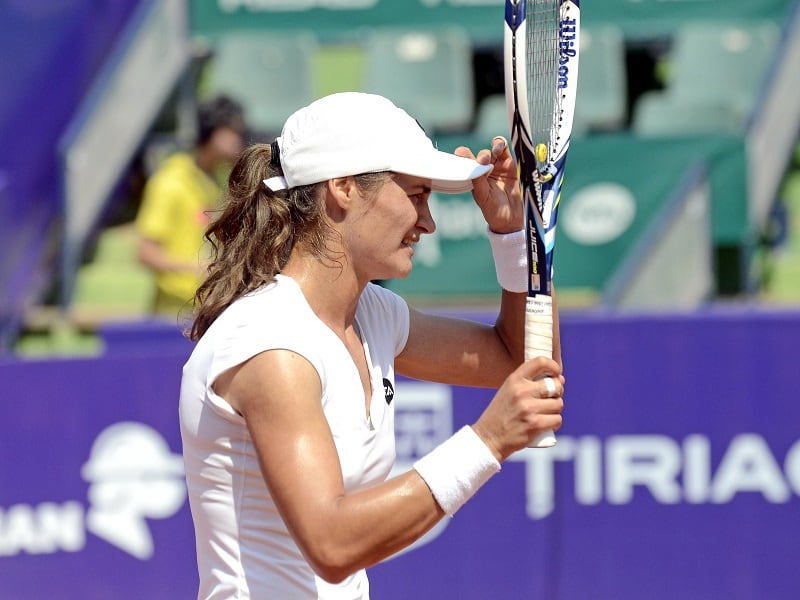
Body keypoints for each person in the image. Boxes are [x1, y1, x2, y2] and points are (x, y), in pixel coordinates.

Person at [179, 92, 565, 599]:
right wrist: (488, 440)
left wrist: (513, 234)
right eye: (417, 195)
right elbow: (332, 544)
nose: (428, 222)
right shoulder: (270, 346)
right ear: (342, 187)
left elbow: (521, 360)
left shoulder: (372, 316)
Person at [135, 95, 246, 317]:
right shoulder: (170, 180)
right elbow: (145, 252)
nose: (239, 140)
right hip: (174, 314)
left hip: (208, 308)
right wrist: (197, 269)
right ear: (211, 131)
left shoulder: (215, 182)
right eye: (232, 131)